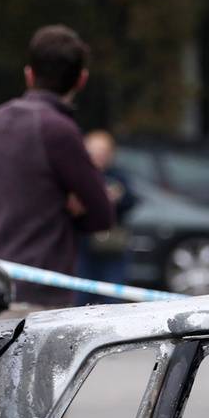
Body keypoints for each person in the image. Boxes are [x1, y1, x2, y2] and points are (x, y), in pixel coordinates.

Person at [0, 25, 115, 306]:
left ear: (29, 74)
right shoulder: (59, 129)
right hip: (38, 292)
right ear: (81, 80)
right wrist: (69, 209)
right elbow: (102, 215)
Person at [74, 129, 139, 304]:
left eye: (103, 152)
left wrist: (119, 197)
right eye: (94, 151)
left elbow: (132, 201)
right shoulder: (77, 174)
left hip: (112, 245)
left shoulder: (118, 176)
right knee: (80, 294)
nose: (98, 156)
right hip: (83, 244)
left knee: (113, 295)